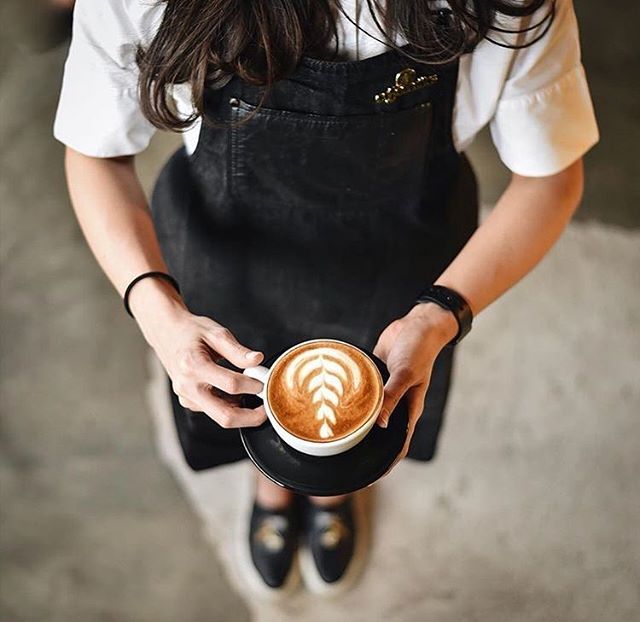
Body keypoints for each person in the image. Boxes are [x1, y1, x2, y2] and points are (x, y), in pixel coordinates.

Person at [53, 0, 598, 600]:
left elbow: (552, 177)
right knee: (244, 409)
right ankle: (271, 489)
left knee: (362, 426)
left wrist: (442, 313)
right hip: (228, 255)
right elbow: (95, 151)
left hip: (402, 273)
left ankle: (333, 490)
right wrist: (159, 314)